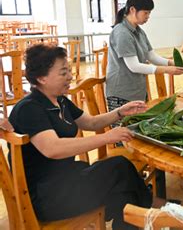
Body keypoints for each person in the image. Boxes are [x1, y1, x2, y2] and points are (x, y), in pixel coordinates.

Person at [9, 44, 153, 229]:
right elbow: (53, 148)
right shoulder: (29, 108)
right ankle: (153, 211)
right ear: (41, 78)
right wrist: (106, 137)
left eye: (68, 70)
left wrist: (120, 112)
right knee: (119, 170)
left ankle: (141, 218)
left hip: (65, 179)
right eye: (63, 73)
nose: (70, 76)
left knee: (121, 179)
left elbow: (91, 123)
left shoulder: (59, 100)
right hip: (46, 196)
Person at [106, 0, 183, 117]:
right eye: (146, 13)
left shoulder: (139, 32)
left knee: (136, 131)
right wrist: (166, 69)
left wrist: (170, 63)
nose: (148, 16)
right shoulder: (122, 32)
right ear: (132, 10)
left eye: (149, 13)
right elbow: (134, 66)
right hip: (122, 94)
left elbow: (151, 56)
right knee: (123, 134)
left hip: (137, 91)